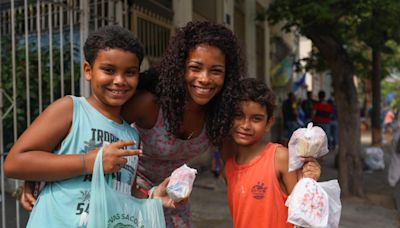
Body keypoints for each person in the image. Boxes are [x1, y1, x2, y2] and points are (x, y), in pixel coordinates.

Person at [20, 21, 245, 228]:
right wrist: (38, 173)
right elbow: (97, 130)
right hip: (124, 193)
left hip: (170, 196)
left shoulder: (221, 115)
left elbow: (233, 171)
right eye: (195, 68)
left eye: (216, 71)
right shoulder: (149, 104)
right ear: (180, 68)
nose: (205, 78)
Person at [4, 25, 175, 227]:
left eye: (130, 72)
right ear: (88, 70)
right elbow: (14, 163)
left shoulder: (131, 134)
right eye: (109, 70)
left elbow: (123, 192)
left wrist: (153, 196)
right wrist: (90, 162)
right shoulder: (71, 110)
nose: (119, 81)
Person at [224, 78, 321, 228]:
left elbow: (304, 214)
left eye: (256, 119)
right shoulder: (229, 166)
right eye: (238, 116)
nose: (245, 125)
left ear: (269, 123)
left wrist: (309, 181)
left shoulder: (280, 158)